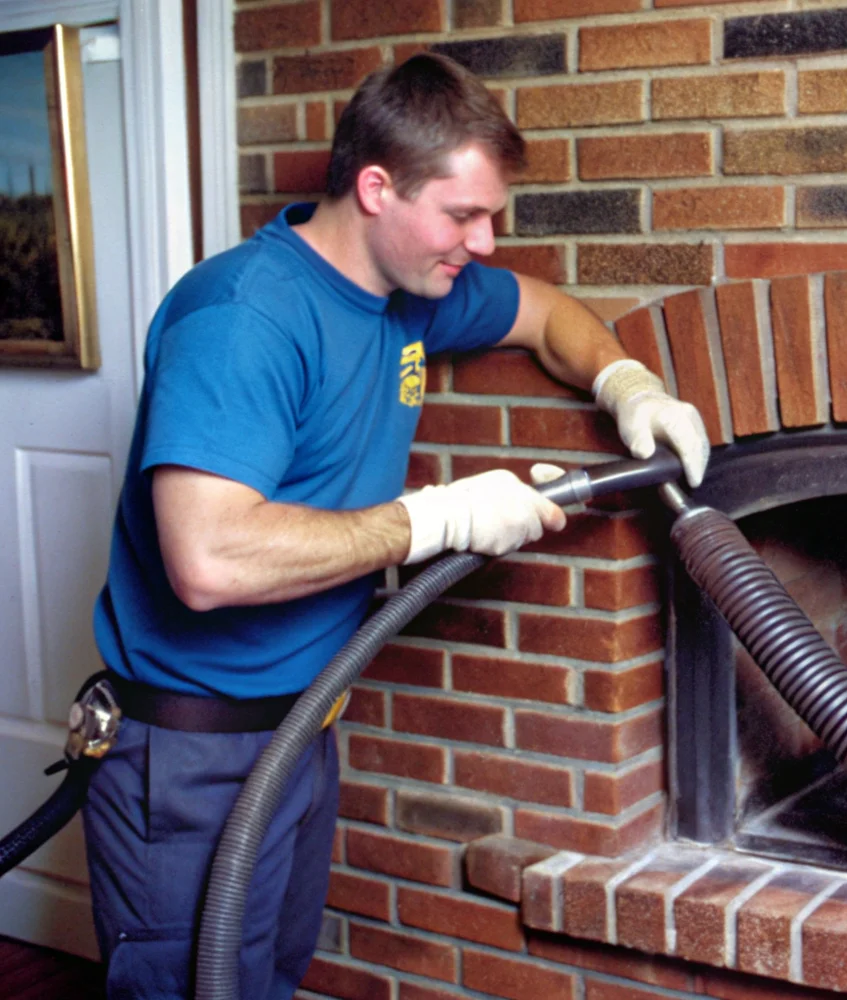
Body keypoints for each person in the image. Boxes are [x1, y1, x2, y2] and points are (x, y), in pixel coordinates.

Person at [83, 52, 709, 999]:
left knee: (266, 979)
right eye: (463, 215)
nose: (486, 242)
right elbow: (206, 558)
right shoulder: (245, 317)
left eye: (491, 215)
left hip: (297, 731)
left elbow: (544, 315)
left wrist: (629, 386)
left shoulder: (406, 296)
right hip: (189, 759)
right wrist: (438, 518)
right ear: (376, 187)